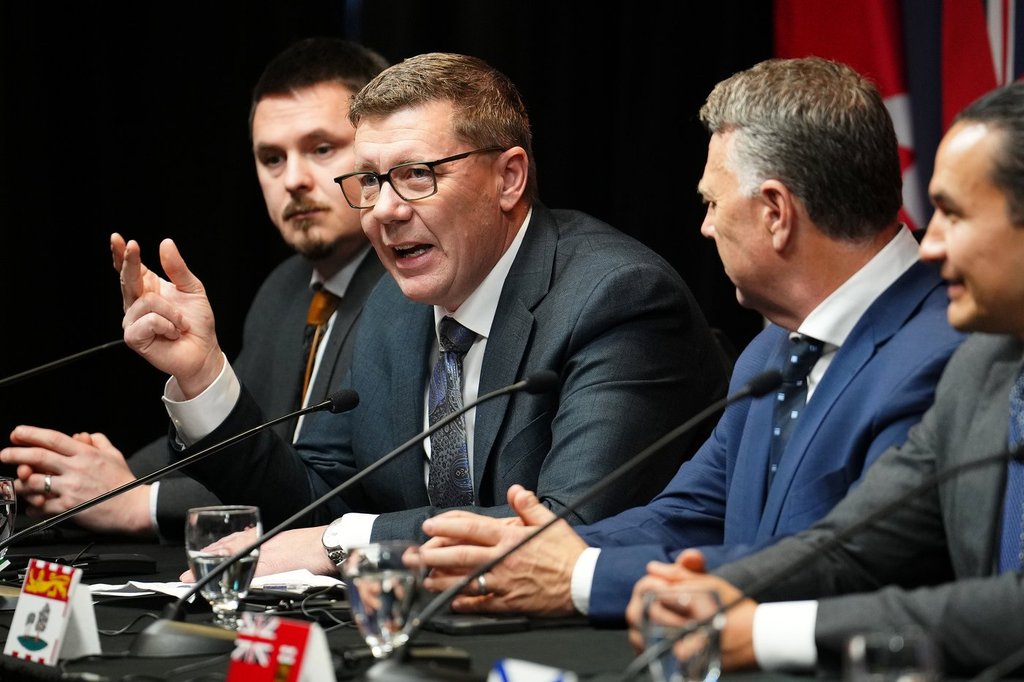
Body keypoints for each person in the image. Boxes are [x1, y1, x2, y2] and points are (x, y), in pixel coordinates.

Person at [113, 52, 730, 576]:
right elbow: (313, 501)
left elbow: (565, 524)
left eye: (416, 175)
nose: (384, 209)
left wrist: (345, 541)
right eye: (370, 180)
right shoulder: (390, 304)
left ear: (509, 178)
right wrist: (202, 376)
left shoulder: (616, 297)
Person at [411, 57, 965, 623]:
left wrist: (580, 576)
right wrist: (532, 551)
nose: (705, 227)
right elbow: (690, 514)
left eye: (712, 203)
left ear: (776, 213)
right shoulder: (772, 350)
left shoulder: (944, 357)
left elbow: (842, 563)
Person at [623, 79, 1024, 676]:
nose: (931, 244)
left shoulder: (944, 351)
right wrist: (712, 595)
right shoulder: (981, 368)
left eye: (955, 214)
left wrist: (763, 631)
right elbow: (856, 544)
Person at [0, 37, 389, 540]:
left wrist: (138, 501)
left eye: (321, 149)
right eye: (272, 158)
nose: (293, 179)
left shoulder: (410, 291)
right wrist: (104, 477)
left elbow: (337, 490)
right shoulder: (285, 289)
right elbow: (245, 447)